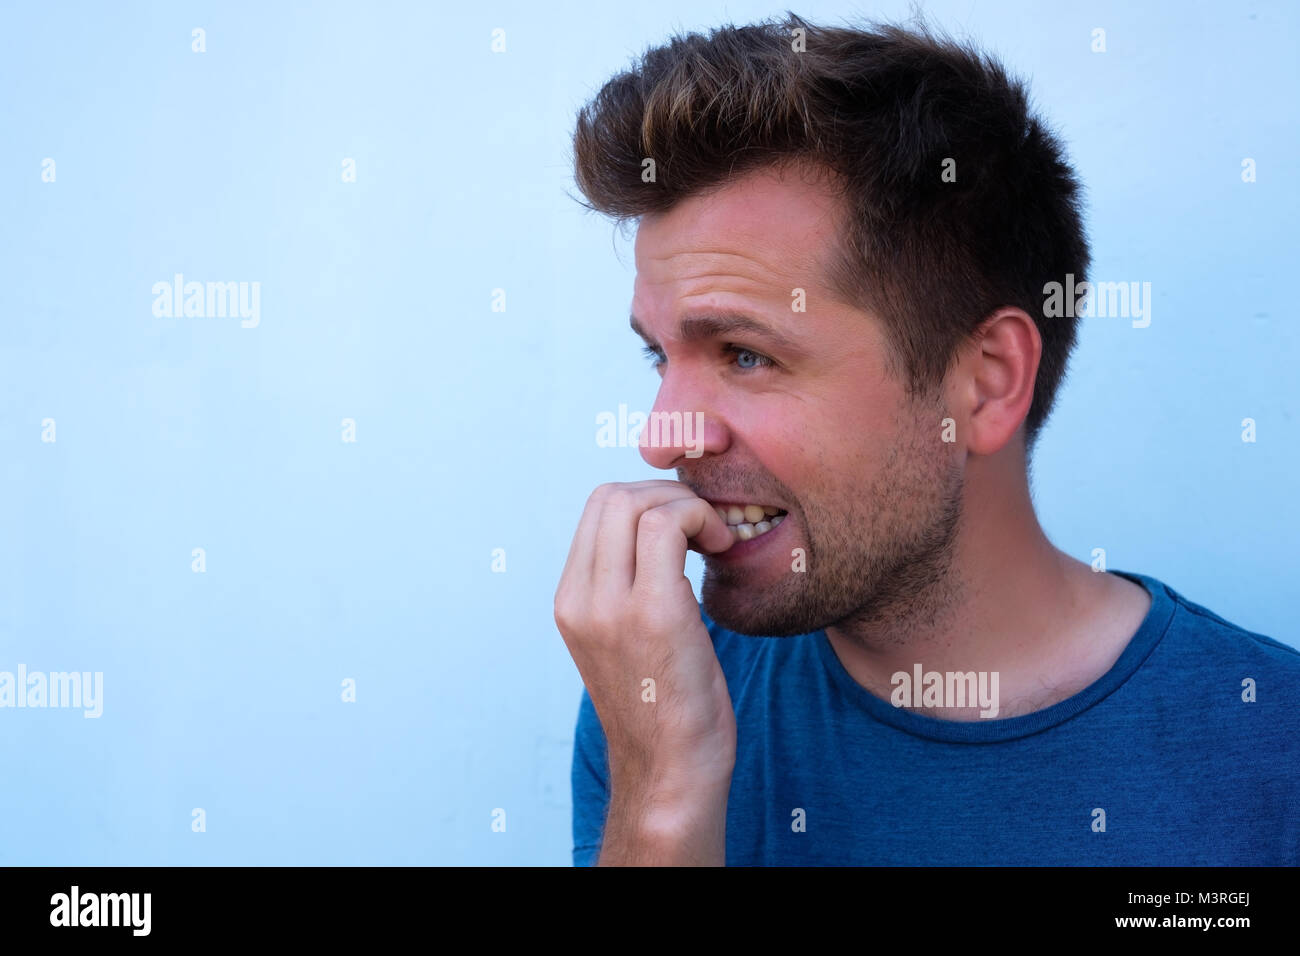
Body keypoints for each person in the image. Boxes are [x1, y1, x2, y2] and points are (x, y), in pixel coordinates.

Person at [554, 13, 1300, 865]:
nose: (661, 438)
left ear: (986, 381)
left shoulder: (1270, 754)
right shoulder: (661, 701)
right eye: (661, 356)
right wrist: (664, 799)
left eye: (747, 354)